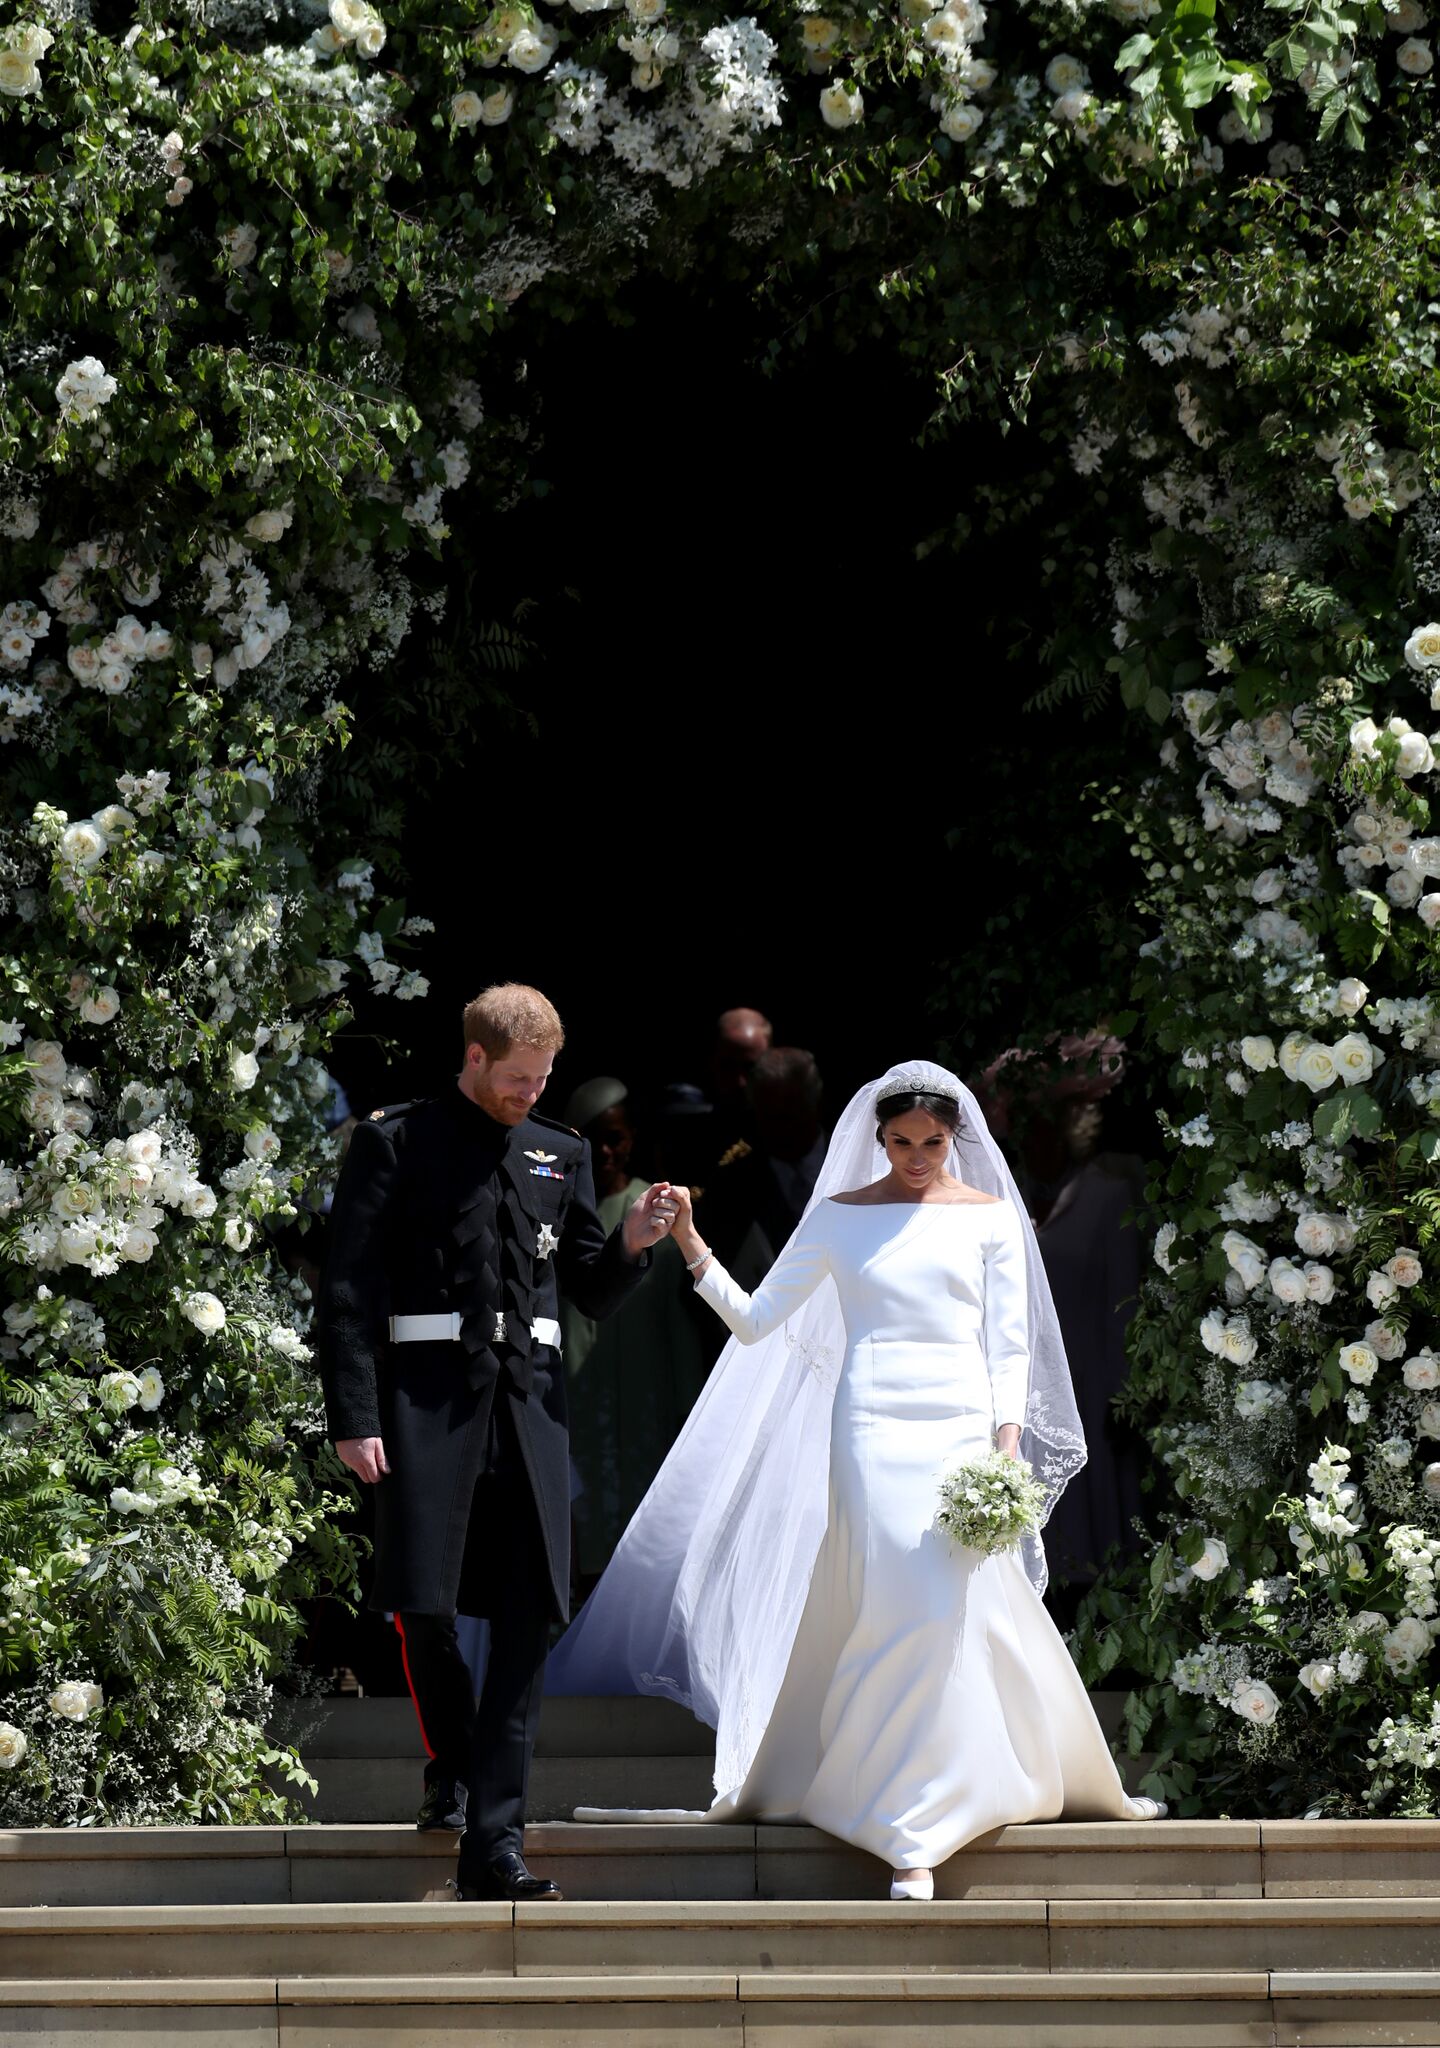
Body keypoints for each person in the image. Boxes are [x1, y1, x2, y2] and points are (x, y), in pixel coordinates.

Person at [548, 1060, 1164, 1901]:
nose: (918, 1156)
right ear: (878, 1138)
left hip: (961, 1434)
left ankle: (933, 1803)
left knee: (945, 1605)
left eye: (934, 1143)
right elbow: (759, 1322)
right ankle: (907, 1827)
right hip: (870, 1430)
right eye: (903, 1142)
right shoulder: (839, 1218)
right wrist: (691, 1241)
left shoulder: (989, 1219)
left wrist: (1007, 1443)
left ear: (957, 1139)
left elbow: (1010, 1344)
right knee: (892, 1598)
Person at [317, 984, 678, 1903]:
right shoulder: (394, 1141)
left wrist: (633, 1245)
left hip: (530, 1412)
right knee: (423, 1605)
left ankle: (495, 1842)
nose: (531, 1091)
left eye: (543, 1076)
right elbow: (351, 1288)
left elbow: (589, 1287)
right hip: (426, 1409)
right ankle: (456, 1758)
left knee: (530, 1614)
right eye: (517, 1077)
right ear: (474, 1058)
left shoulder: (559, 1151)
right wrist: (353, 1416)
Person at [559, 1077, 710, 1583]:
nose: (605, 1152)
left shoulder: (658, 1209)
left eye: (616, 1138)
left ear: (632, 1138)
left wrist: (692, 1411)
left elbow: (680, 1317)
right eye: (593, 1139)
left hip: (648, 1399)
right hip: (577, 1395)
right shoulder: (560, 1208)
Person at [701, 1046, 827, 1290]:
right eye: (770, 1114)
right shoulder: (729, 1188)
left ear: (817, 1104)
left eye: (791, 1112)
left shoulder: (862, 1167)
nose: (782, 1127)